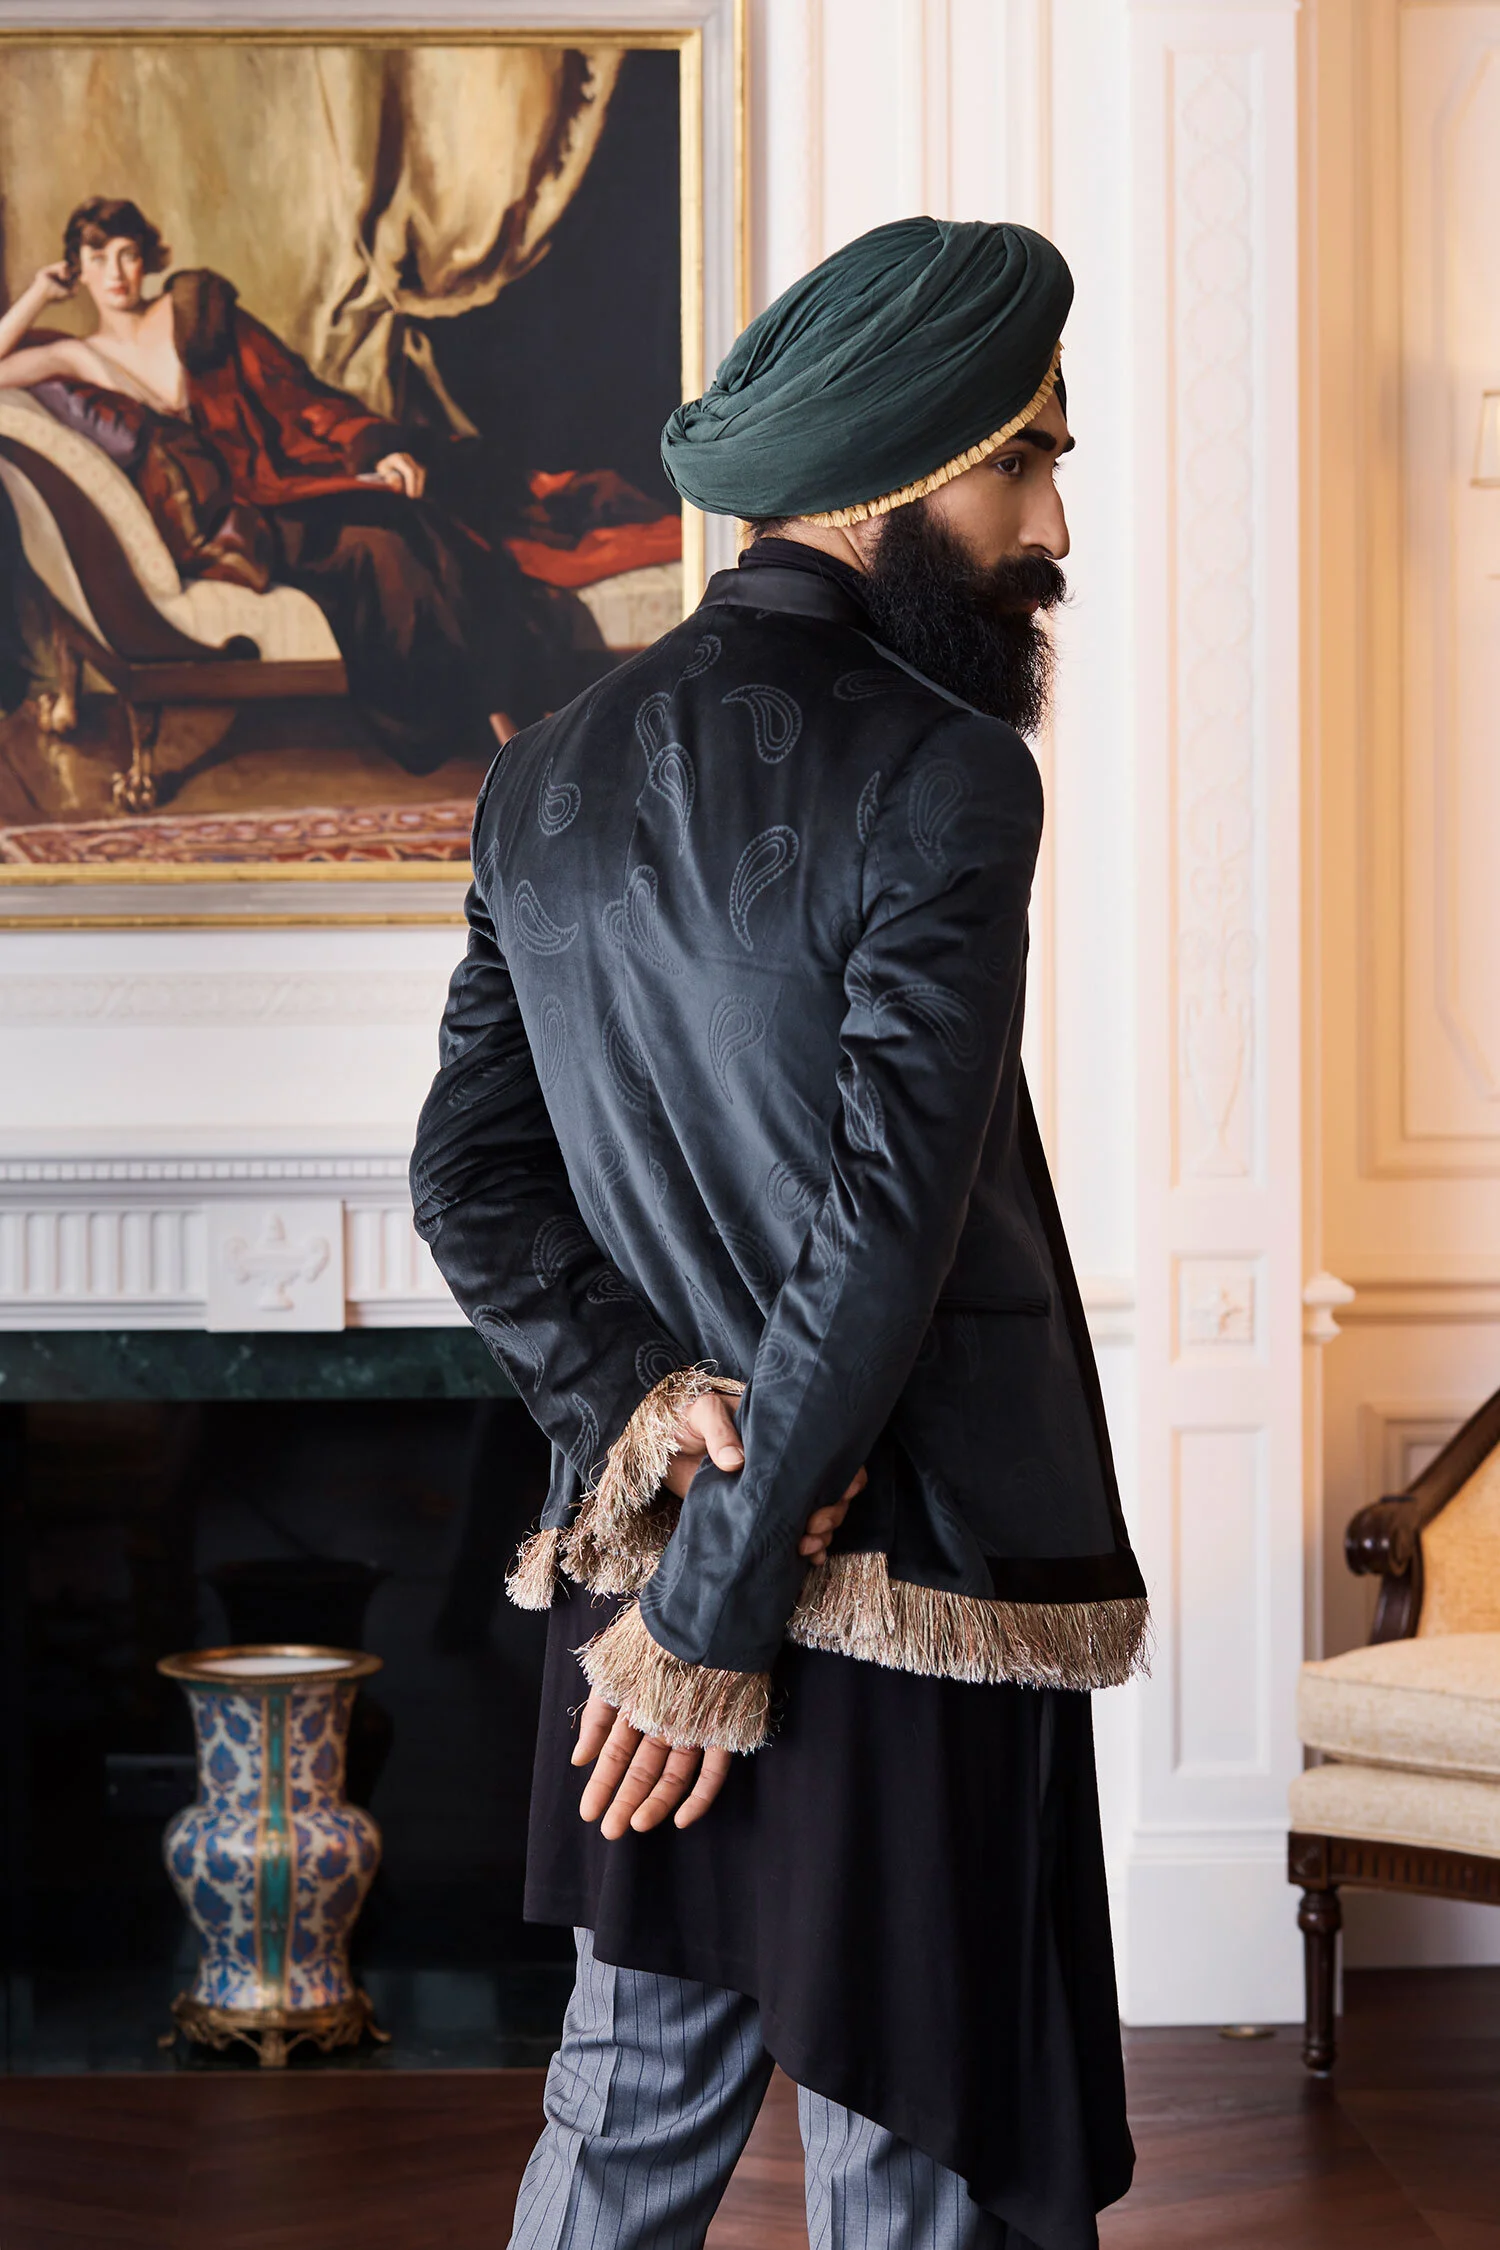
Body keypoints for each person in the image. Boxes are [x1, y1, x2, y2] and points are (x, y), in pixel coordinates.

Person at [411, 216, 1149, 2250]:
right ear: (889, 467)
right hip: (895, 1579)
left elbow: (465, 1182)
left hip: (661, 1559)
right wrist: (712, 1625)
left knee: (631, 2108)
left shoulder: (542, 773)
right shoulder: (950, 770)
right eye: (1023, 462)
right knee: (916, 2137)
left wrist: (652, 1418)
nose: (1050, 524)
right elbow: (885, 1227)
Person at [0, 196, 555, 763]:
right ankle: (492, 721)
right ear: (76, 269)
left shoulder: (195, 312)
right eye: (97, 258)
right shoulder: (77, 356)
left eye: (128, 254)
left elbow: (295, 393)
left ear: (147, 259)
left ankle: (509, 716)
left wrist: (373, 448)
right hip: (234, 520)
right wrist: (40, 293)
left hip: (282, 475)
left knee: (420, 516)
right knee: (380, 547)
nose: (115, 273)